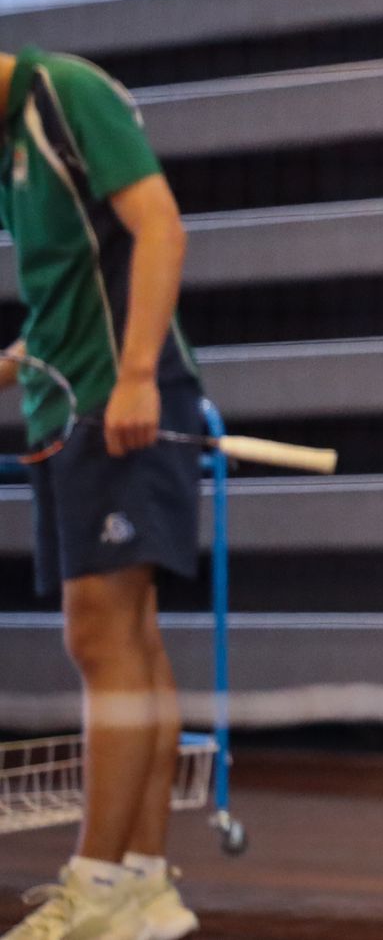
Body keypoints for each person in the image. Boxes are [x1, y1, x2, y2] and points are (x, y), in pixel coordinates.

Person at [0, 48, 202, 940]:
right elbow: (65, 289)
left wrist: (137, 375)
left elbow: (160, 227)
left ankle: (96, 883)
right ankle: (145, 885)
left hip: (116, 405)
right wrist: (12, 364)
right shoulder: (7, 145)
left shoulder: (64, 94)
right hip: (68, 403)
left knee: (100, 636)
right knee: (131, 641)